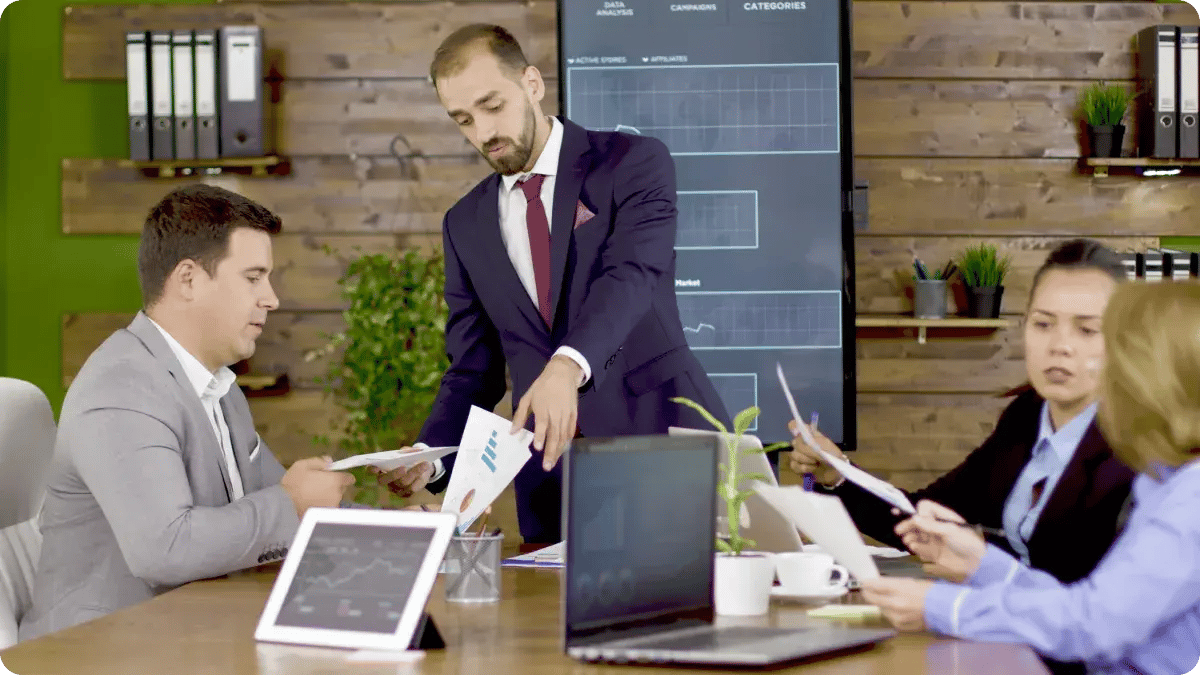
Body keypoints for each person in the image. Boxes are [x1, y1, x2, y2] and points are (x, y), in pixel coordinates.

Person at [379, 24, 729, 543]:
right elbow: (473, 368)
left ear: (532, 84)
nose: (483, 133)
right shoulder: (465, 223)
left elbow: (632, 275)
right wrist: (430, 457)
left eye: (492, 105)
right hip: (552, 482)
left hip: (663, 441)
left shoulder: (634, 163)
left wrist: (566, 366)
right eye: (464, 120)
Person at [19, 185, 355, 641]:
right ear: (189, 280)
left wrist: (412, 527)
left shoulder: (218, 386)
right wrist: (293, 503)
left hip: (193, 635)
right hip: (101, 652)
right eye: (254, 277)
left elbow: (276, 499)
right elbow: (166, 549)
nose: (272, 298)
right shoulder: (122, 388)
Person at [790, 239, 1136, 675]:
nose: (1060, 346)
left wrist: (959, 595)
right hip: (1002, 649)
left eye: (1087, 330)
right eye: (1043, 325)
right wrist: (836, 475)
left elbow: (1099, 617)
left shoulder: (1140, 450)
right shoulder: (1026, 416)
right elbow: (922, 517)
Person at [861, 280, 1200, 675]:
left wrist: (940, 606)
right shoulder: (1165, 482)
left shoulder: (1191, 498)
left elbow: (1092, 627)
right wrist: (983, 564)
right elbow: (1086, 604)